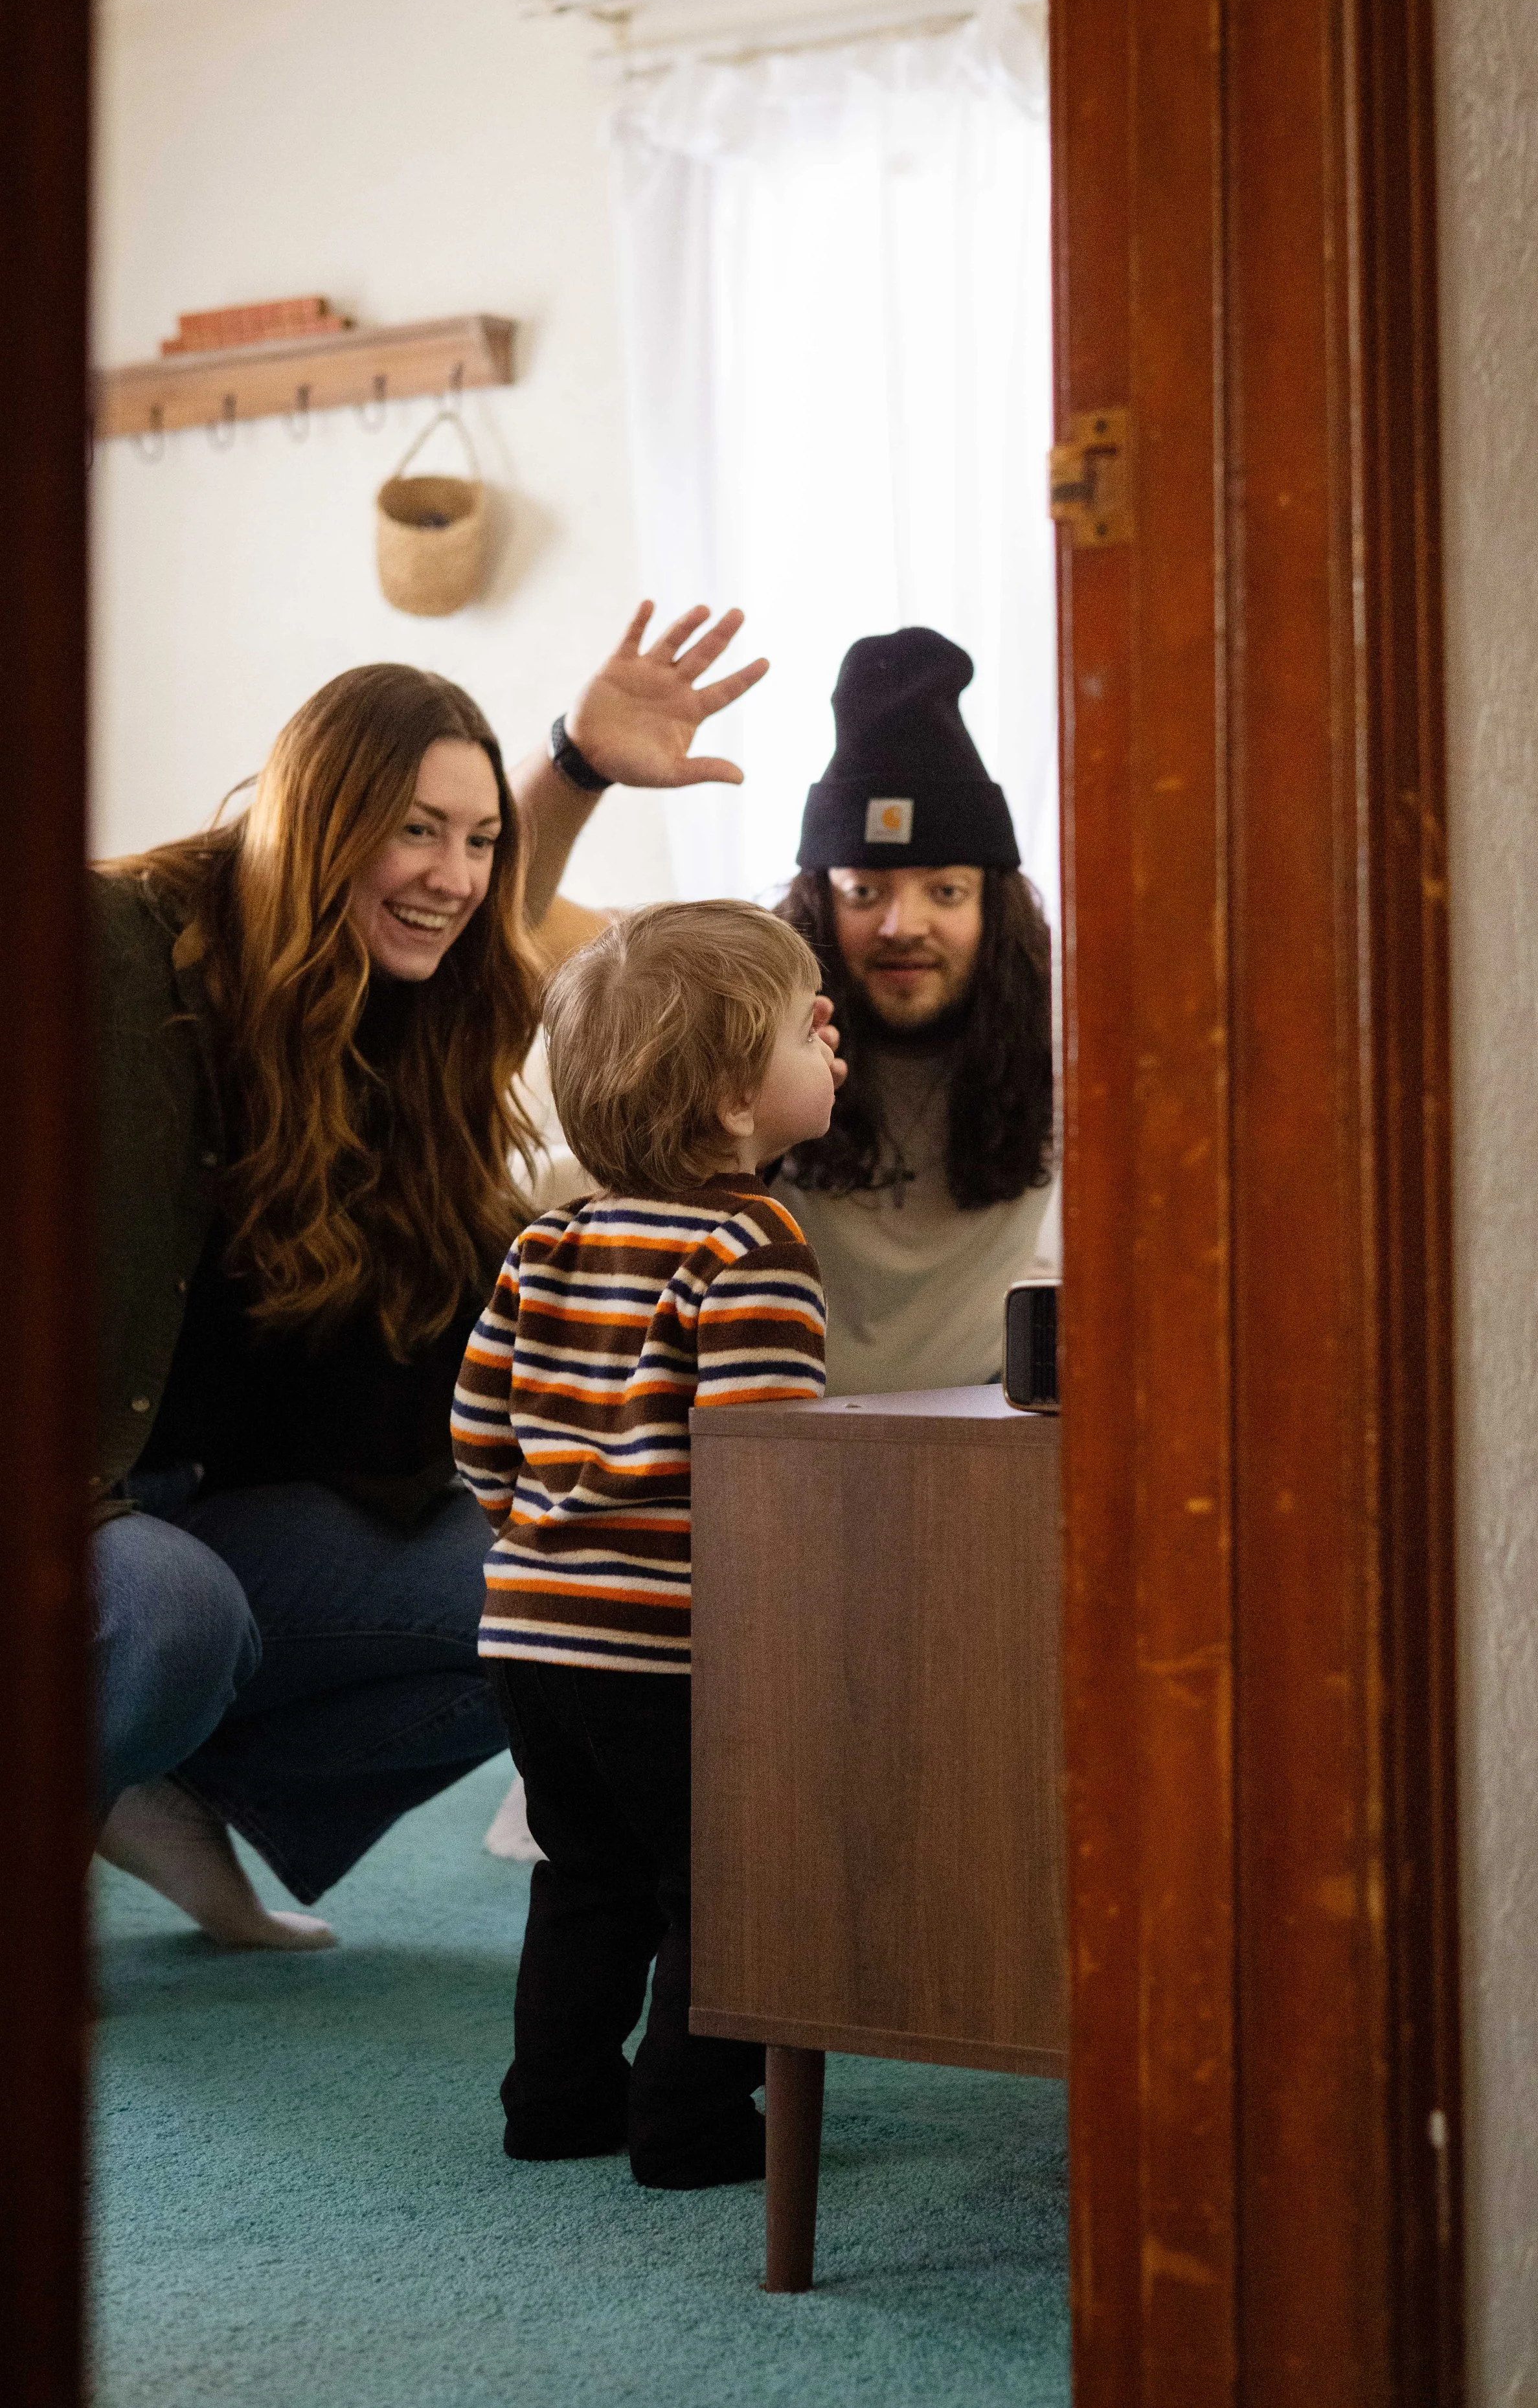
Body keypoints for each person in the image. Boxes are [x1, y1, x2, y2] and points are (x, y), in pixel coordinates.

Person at [92, 601, 778, 1950]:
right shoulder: (127, 947)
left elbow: (489, 916)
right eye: (415, 827)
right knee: (172, 1613)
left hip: (214, 1512)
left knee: (564, 1586)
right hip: (89, 1504)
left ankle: (153, 1786)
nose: (453, 874)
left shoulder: (398, 1013)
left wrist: (570, 771)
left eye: (475, 839)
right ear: (319, 821)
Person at [453, 902, 833, 2187]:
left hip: (529, 1628)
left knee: (584, 1868)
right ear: (736, 1099)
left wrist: (538, 1540)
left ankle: (555, 2096)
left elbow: (476, 1426)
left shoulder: (547, 1239)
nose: (828, 1037)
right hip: (666, 1646)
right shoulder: (751, 1244)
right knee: (718, 1880)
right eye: (803, 1026)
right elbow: (758, 1475)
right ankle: (689, 2119)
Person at [773, 625, 1057, 1395]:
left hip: (975, 1438)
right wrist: (581, 768)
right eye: (864, 890)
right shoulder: (755, 1033)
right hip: (776, 1437)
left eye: (946, 890)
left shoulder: (1067, 1043)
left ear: (995, 907)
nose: (902, 924)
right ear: (818, 904)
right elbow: (535, 950)